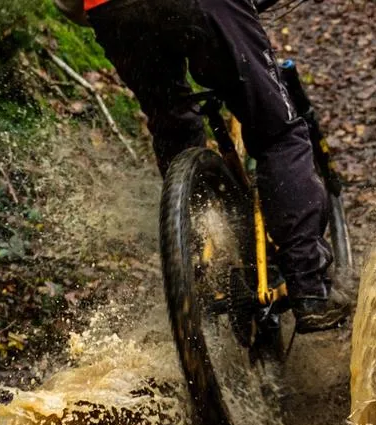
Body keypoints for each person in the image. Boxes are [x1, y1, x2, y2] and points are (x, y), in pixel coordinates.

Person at [53, 0, 349, 333]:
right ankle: (310, 288)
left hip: (112, 12)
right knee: (277, 133)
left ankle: (201, 266)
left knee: (172, 125)